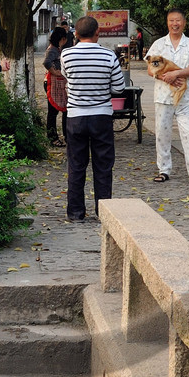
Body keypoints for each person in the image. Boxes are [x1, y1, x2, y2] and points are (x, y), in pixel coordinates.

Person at [59, 16, 125, 222]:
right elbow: (119, 88)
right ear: (98, 33)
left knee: (76, 165)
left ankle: (75, 213)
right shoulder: (109, 55)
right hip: (101, 116)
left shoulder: (66, 55)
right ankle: (103, 212)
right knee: (103, 166)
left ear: (76, 34)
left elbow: (67, 77)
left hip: (75, 117)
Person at [146, 9, 189, 184]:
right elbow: (150, 69)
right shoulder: (158, 44)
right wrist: (165, 77)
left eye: (178, 20)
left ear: (184, 23)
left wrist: (176, 74)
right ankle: (164, 170)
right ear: (167, 23)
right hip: (163, 97)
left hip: (185, 97)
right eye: (171, 20)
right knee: (162, 134)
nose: (175, 24)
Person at [44, 27, 71, 147]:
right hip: (52, 83)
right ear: (62, 39)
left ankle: (66, 136)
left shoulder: (56, 49)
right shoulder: (52, 50)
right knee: (53, 112)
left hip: (59, 84)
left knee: (65, 109)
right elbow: (46, 62)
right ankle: (53, 138)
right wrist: (54, 72)